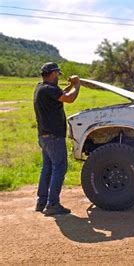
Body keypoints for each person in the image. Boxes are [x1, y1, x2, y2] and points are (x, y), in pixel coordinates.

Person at [33, 62, 80, 216]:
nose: (58, 77)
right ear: (53, 74)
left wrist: (69, 86)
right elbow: (69, 98)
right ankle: (52, 204)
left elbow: (60, 94)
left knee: (47, 168)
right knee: (59, 167)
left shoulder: (40, 88)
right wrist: (77, 85)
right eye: (58, 74)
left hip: (44, 137)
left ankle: (42, 202)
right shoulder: (50, 90)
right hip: (54, 137)